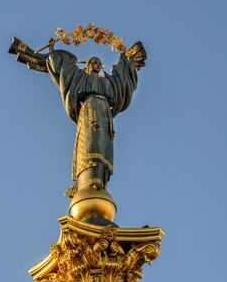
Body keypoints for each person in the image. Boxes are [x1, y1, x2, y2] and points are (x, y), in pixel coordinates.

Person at [9, 38, 147, 197]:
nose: (97, 64)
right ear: (88, 65)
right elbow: (63, 69)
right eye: (94, 61)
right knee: (89, 143)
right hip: (89, 110)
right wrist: (53, 53)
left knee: (103, 146)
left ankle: (100, 179)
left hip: (105, 115)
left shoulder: (109, 82)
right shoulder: (81, 78)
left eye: (99, 62)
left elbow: (123, 79)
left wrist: (127, 58)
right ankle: (85, 181)